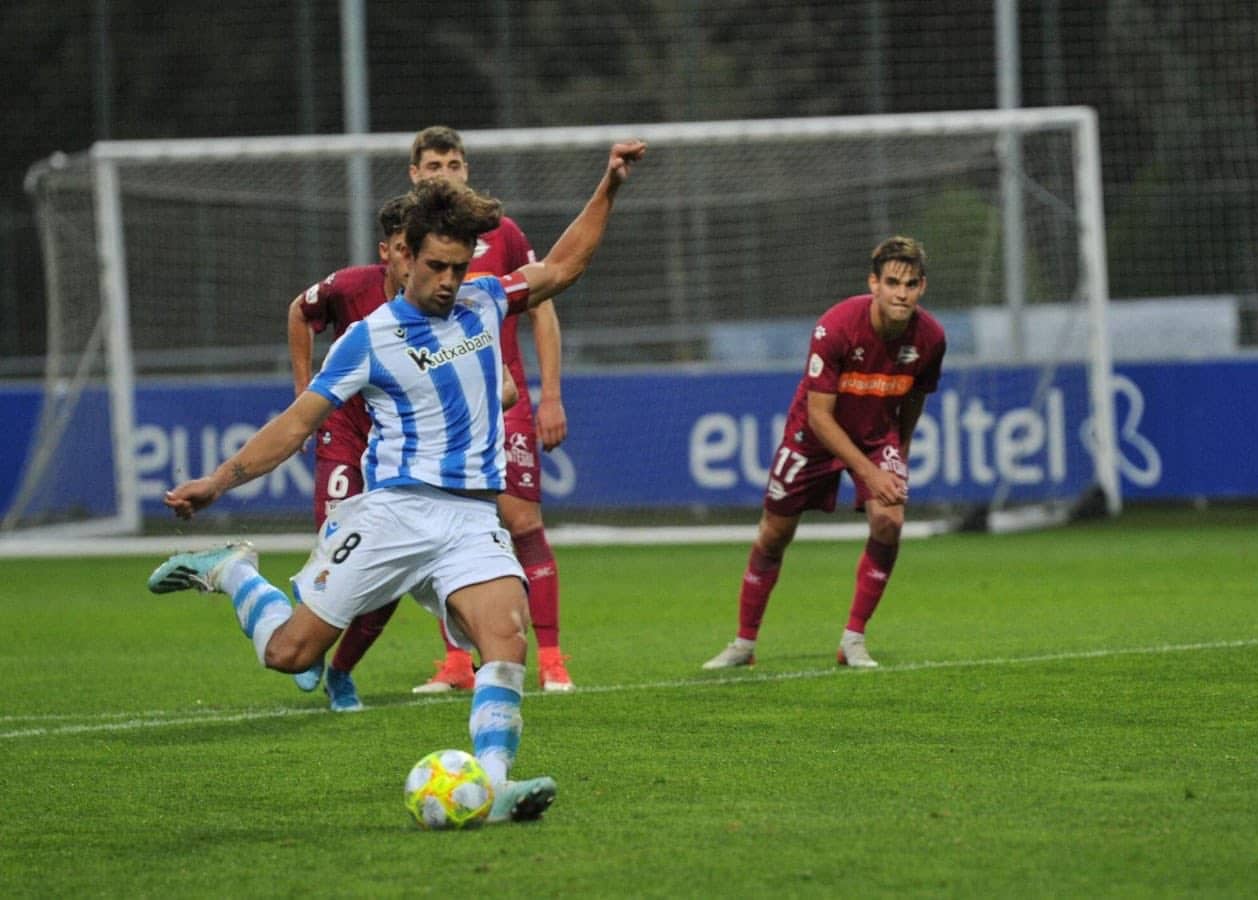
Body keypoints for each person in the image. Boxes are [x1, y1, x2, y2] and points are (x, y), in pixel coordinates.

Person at [145, 140, 646, 823]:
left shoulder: (485, 301)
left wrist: (609, 184)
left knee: (506, 641)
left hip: (471, 519)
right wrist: (218, 481)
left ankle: (492, 787)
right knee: (291, 655)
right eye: (436, 265)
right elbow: (297, 424)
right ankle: (233, 572)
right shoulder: (370, 339)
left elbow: (563, 265)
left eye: (458, 266)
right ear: (404, 255)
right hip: (394, 515)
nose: (448, 280)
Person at [284, 195, 519, 711]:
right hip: (349, 433)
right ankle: (309, 620)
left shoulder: (470, 303)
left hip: (448, 487)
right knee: (338, 569)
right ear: (393, 253)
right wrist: (303, 395)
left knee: (403, 591)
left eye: (457, 266)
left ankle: (341, 667)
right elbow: (300, 313)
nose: (447, 276)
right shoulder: (356, 299)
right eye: (398, 251)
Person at [703, 236, 946, 671]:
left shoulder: (931, 339)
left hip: (876, 435)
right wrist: (870, 474)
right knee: (774, 535)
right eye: (892, 282)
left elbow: (913, 401)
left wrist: (898, 455)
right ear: (873, 283)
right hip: (812, 437)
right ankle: (743, 643)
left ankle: (853, 640)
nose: (901, 293)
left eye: (910, 284)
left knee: (889, 522)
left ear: (922, 287)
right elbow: (820, 418)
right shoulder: (835, 327)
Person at [398, 125, 577, 696]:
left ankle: (551, 656)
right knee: (443, 528)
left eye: (453, 163)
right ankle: (456, 661)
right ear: (414, 174)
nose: (443, 173)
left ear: (466, 170)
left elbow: (541, 309)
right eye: (433, 165)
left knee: (522, 521)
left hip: (507, 399)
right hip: (445, 410)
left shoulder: (501, 233)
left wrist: (550, 394)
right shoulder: (407, 240)